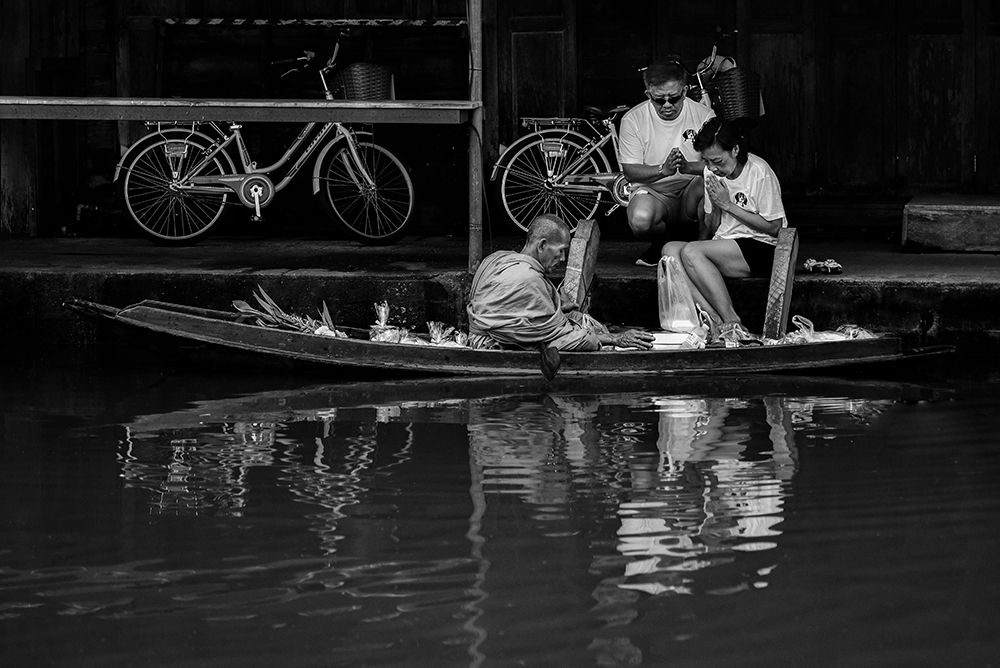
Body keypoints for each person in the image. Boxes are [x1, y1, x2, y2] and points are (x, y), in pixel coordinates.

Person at [660, 116, 786, 345]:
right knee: (670, 252)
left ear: (735, 149)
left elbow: (775, 227)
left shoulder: (758, 171)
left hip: (760, 245)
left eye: (717, 161)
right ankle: (716, 321)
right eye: (707, 162)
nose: (712, 168)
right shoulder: (711, 173)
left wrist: (728, 204)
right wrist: (716, 206)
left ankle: (733, 320)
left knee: (691, 252)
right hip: (724, 243)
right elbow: (713, 226)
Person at [467, 214, 654, 351]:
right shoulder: (529, 279)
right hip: (493, 344)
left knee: (580, 320)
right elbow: (557, 333)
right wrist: (615, 338)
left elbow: (517, 309)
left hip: (480, 334)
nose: (563, 259)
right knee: (586, 339)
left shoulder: (496, 258)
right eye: (561, 251)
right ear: (541, 245)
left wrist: (555, 303)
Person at [618, 59, 716, 267]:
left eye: (674, 98)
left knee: (711, 181)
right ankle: (666, 240)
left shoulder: (704, 114)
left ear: (686, 90)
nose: (667, 105)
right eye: (659, 100)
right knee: (640, 220)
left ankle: (701, 247)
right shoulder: (633, 119)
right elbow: (630, 171)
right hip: (655, 192)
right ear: (648, 95)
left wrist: (689, 167)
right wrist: (662, 170)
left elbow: (718, 164)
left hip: (692, 190)